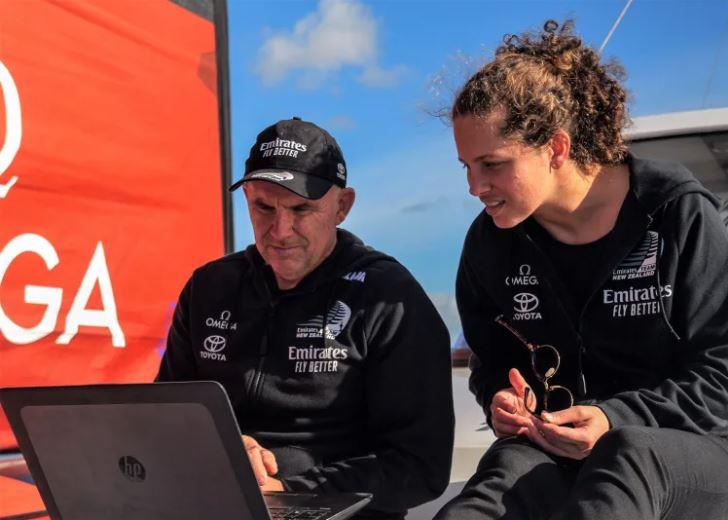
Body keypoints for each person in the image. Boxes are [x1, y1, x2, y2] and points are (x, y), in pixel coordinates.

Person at [435, 20, 728, 520]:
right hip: (558, 448)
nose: (474, 186)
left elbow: (722, 377)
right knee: (498, 479)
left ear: (556, 148)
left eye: (492, 164)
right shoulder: (490, 246)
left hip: (693, 450)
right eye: (466, 166)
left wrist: (612, 418)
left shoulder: (677, 215)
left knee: (627, 454)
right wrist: (502, 400)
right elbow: (490, 361)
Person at [157, 117, 454, 519]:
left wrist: (287, 493)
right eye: (263, 207)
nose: (280, 230)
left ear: (342, 207)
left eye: (302, 209)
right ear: (246, 197)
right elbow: (165, 420)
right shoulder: (208, 287)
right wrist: (222, 445)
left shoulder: (387, 296)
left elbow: (420, 466)